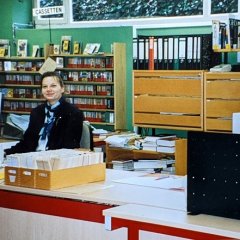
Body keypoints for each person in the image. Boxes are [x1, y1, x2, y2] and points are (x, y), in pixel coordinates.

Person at [4, 71, 84, 155]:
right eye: (45, 86)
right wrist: (5, 153)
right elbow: (27, 142)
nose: (48, 89)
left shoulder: (73, 112)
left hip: (55, 160)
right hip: (33, 157)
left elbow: (69, 146)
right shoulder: (37, 112)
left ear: (62, 88)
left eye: (53, 86)